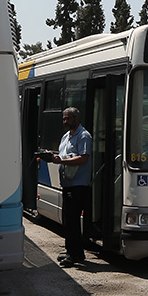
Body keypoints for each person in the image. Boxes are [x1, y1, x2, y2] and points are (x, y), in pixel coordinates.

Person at [49, 107, 92, 267]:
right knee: (68, 220)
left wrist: (61, 161)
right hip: (67, 183)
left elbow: (83, 158)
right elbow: (63, 155)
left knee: (73, 221)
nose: (65, 122)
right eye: (64, 119)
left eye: (68, 119)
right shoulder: (66, 137)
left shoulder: (84, 136)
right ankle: (70, 251)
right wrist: (52, 157)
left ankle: (76, 255)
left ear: (76, 118)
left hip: (78, 185)